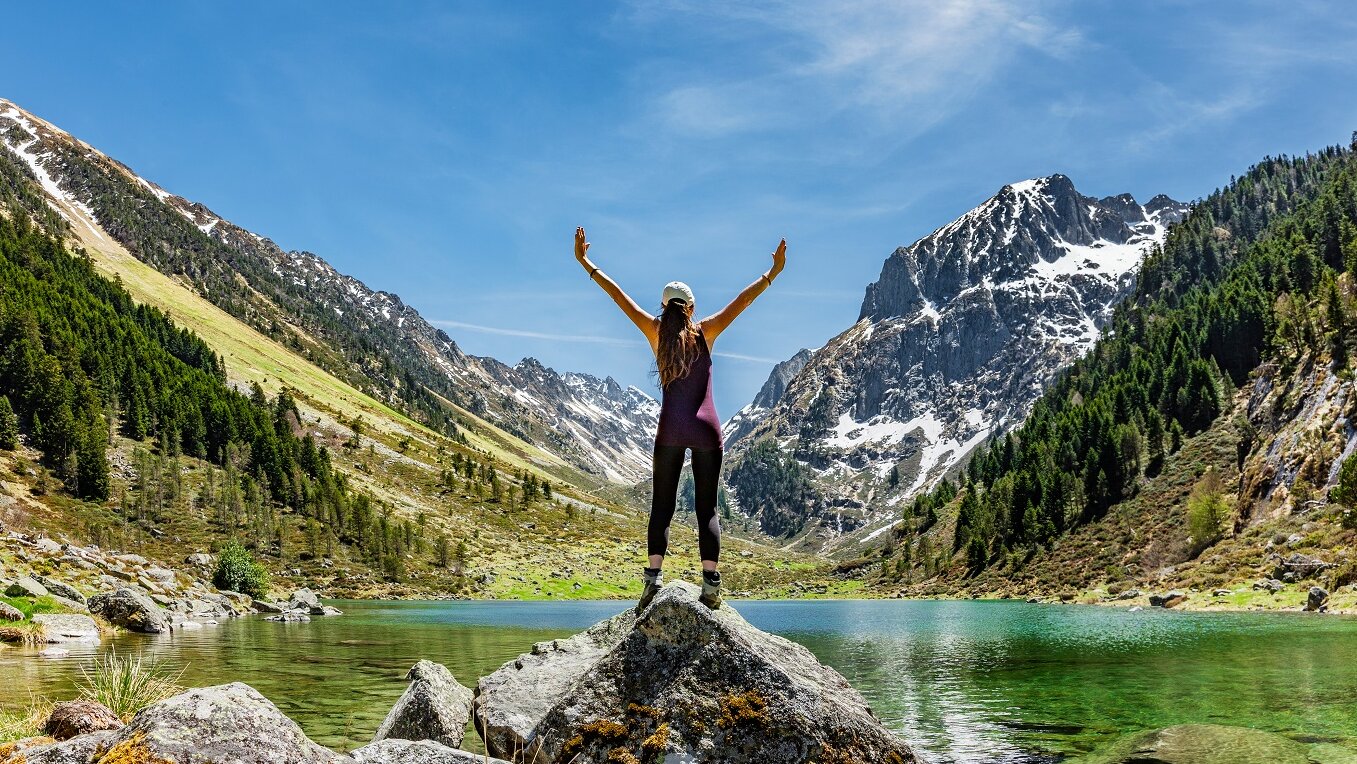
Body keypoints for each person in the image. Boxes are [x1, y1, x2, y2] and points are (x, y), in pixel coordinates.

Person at [574, 226, 786, 611]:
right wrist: (772, 274)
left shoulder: (655, 331)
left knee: (662, 508)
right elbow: (742, 302)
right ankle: (711, 584)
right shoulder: (706, 331)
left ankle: (653, 580)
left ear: (663, 306)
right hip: (707, 428)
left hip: (670, 430)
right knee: (707, 509)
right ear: (689, 307)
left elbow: (618, 296)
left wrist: (586, 263)